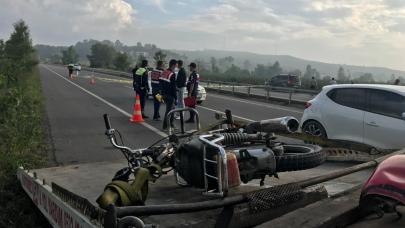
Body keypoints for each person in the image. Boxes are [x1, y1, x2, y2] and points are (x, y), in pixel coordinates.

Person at [160, 59, 178, 130]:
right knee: (169, 112)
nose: (176, 67)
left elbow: (160, 83)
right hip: (170, 96)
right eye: (176, 65)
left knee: (172, 110)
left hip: (163, 94)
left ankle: (171, 124)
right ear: (173, 65)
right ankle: (165, 126)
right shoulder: (172, 74)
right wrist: (175, 97)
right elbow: (173, 87)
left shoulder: (164, 72)